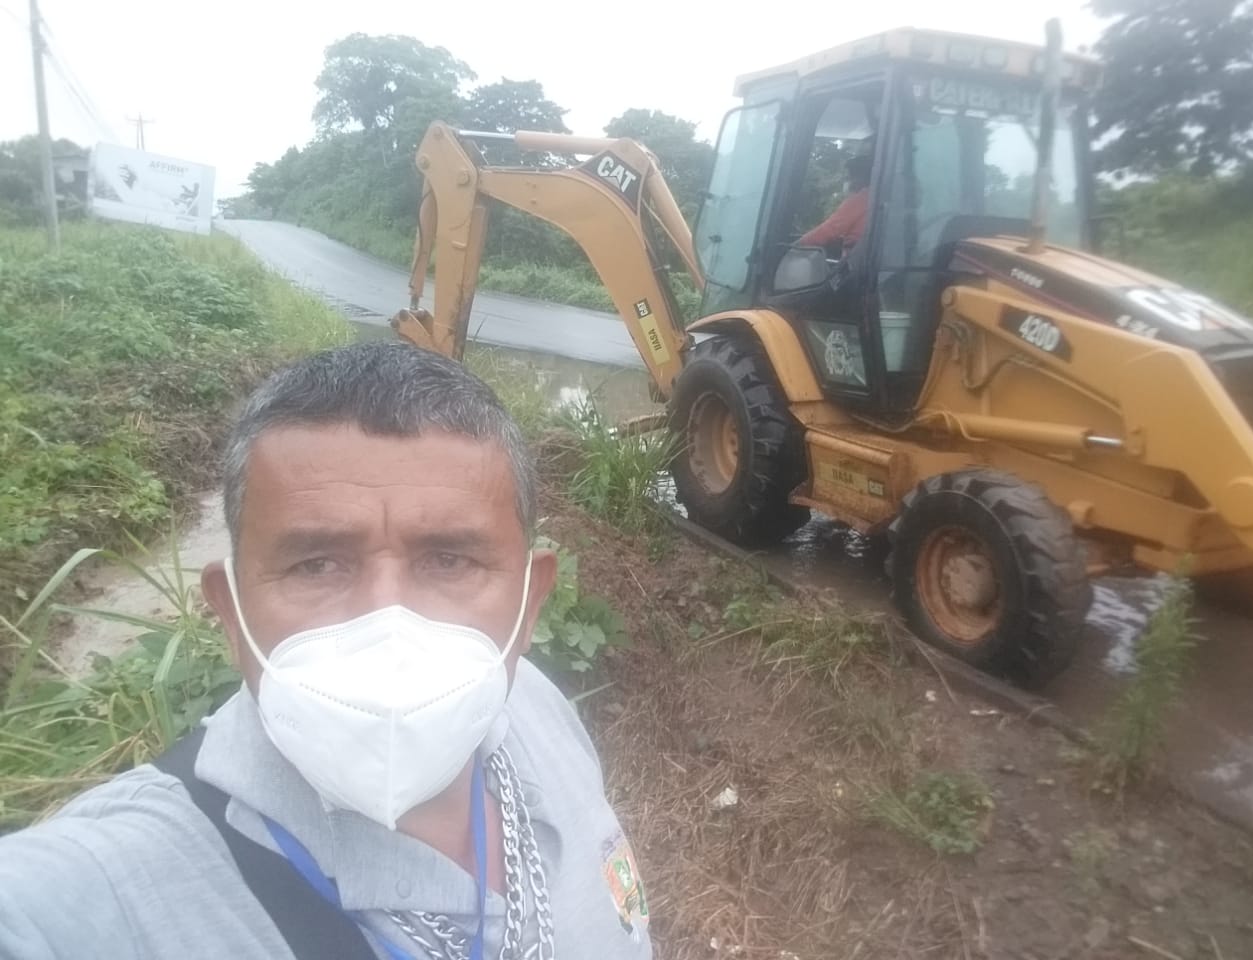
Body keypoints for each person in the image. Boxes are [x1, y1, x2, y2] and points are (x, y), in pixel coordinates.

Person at [0, 340, 652, 960]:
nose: (387, 625)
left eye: (449, 560)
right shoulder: (104, 887)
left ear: (530, 602)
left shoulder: (538, 708)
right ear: (230, 614)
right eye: (316, 565)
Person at [798, 151, 874, 251]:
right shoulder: (874, 198)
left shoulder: (862, 199)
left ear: (863, 177)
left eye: (851, 178)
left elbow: (830, 229)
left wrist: (798, 244)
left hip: (855, 258)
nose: (850, 183)